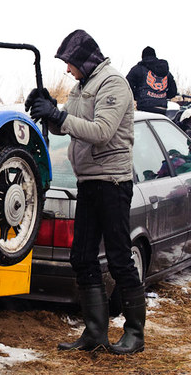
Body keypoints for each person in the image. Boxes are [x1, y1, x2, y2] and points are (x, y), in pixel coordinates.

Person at [25, 30, 145, 355]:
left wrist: (59, 116)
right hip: (88, 181)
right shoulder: (82, 87)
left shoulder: (113, 84)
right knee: (81, 256)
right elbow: (68, 124)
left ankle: (135, 334)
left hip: (113, 183)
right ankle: (95, 333)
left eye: (69, 63)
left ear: (84, 60)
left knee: (119, 258)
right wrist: (49, 109)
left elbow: (102, 131)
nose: (67, 70)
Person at [126, 46, 177, 115]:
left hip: (145, 107)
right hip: (162, 108)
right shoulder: (166, 72)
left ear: (142, 57)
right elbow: (173, 91)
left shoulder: (137, 69)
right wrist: (162, 96)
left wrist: (137, 96)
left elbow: (127, 86)